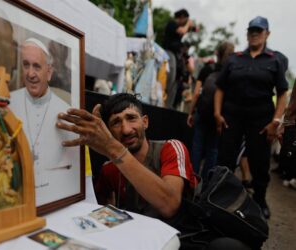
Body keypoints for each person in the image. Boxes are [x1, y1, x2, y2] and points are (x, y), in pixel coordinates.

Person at [56, 93, 251, 249]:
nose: (126, 129)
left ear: (145, 122)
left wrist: (113, 149)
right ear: (109, 130)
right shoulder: (110, 169)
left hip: (185, 237)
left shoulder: (171, 148)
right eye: (116, 122)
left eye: (131, 118)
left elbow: (170, 204)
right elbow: (96, 208)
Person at [214, 16, 289, 219]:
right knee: (225, 158)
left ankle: (260, 200)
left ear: (267, 34)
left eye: (259, 30)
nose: (254, 34)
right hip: (232, 116)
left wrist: (276, 121)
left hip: (261, 119)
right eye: (251, 31)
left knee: (259, 161)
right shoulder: (234, 58)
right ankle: (222, 198)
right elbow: (220, 88)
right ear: (247, 34)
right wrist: (217, 114)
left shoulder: (275, 60)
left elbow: (282, 92)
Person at [10, 37, 79, 207]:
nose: (30, 74)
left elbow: (74, 170)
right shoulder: (9, 102)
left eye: (37, 66)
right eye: (26, 65)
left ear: (49, 72)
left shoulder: (66, 111)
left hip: (56, 199)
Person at [187, 42, 235, 179]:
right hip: (218, 118)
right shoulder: (231, 73)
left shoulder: (207, 69)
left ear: (216, 53)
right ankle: (206, 184)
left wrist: (191, 112)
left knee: (196, 148)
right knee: (213, 150)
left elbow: (196, 93)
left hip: (202, 114)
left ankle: (192, 180)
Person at [163, 9, 197, 109]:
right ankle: (164, 98)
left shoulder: (181, 27)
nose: (186, 23)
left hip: (176, 55)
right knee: (171, 77)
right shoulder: (172, 23)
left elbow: (195, 29)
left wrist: (192, 27)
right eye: (185, 20)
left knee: (175, 81)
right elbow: (182, 31)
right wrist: (187, 25)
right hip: (168, 53)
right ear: (181, 17)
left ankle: (168, 107)